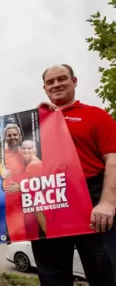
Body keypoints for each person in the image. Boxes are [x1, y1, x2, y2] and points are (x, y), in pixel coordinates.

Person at [35, 64, 116, 286]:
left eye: (62, 79)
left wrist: (108, 203)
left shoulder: (96, 115)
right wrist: (37, 117)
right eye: (50, 82)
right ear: (45, 88)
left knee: (105, 272)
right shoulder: (37, 122)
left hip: (91, 198)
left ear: (75, 81)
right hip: (50, 199)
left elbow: (113, 159)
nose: (56, 84)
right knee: (52, 275)